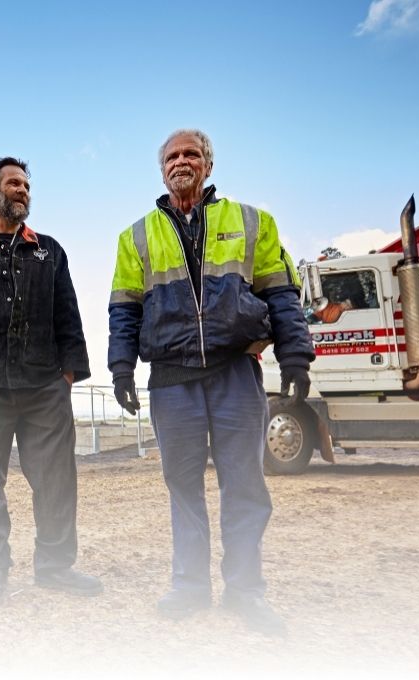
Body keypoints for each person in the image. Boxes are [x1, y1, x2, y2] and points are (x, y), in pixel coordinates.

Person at [107, 130, 314, 634]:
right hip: (171, 378)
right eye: (172, 156)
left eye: (192, 154)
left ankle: (245, 591)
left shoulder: (252, 222)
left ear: (208, 166)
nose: (182, 161)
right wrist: (121, 368)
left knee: (244, 484)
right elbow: (124, 310)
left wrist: (295, 357)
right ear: (162, 170)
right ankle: (190, 587)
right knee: (183, 487)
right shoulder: (135, 236)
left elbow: (282, 294)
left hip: (235, 372)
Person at [0, 157, 102, 606]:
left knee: (56, 481)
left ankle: (55, 567)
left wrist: (66, 378)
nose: (23, 190)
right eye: (14, 183)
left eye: (27, 185)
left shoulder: (49, 252)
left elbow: (68, 318)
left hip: (45, 392)